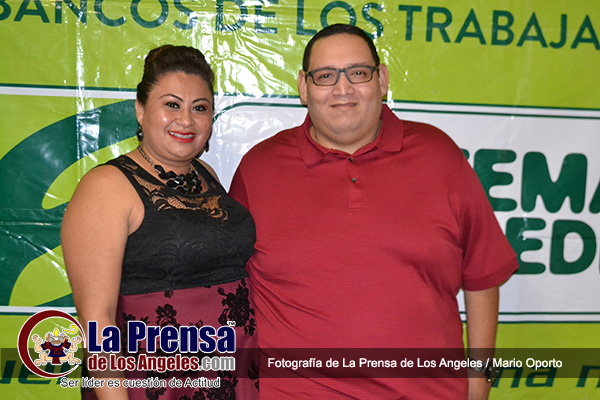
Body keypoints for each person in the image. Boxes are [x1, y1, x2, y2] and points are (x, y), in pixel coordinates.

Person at [229, 24, 518, 399]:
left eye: (358, 73)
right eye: (325, 76)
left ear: (381, 79)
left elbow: (483, 275)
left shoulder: (440, 156)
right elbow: (225, 289)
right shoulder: (258, 170)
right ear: (303, 86)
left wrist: (479, 383)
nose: (343, 89)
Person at [62, 45, 258, 400]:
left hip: (233, 375)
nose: (186, 120)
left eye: (200, 108)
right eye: (172, 105)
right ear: (140, 110)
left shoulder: (206, 175)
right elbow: (97, 322)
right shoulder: (105, 187)